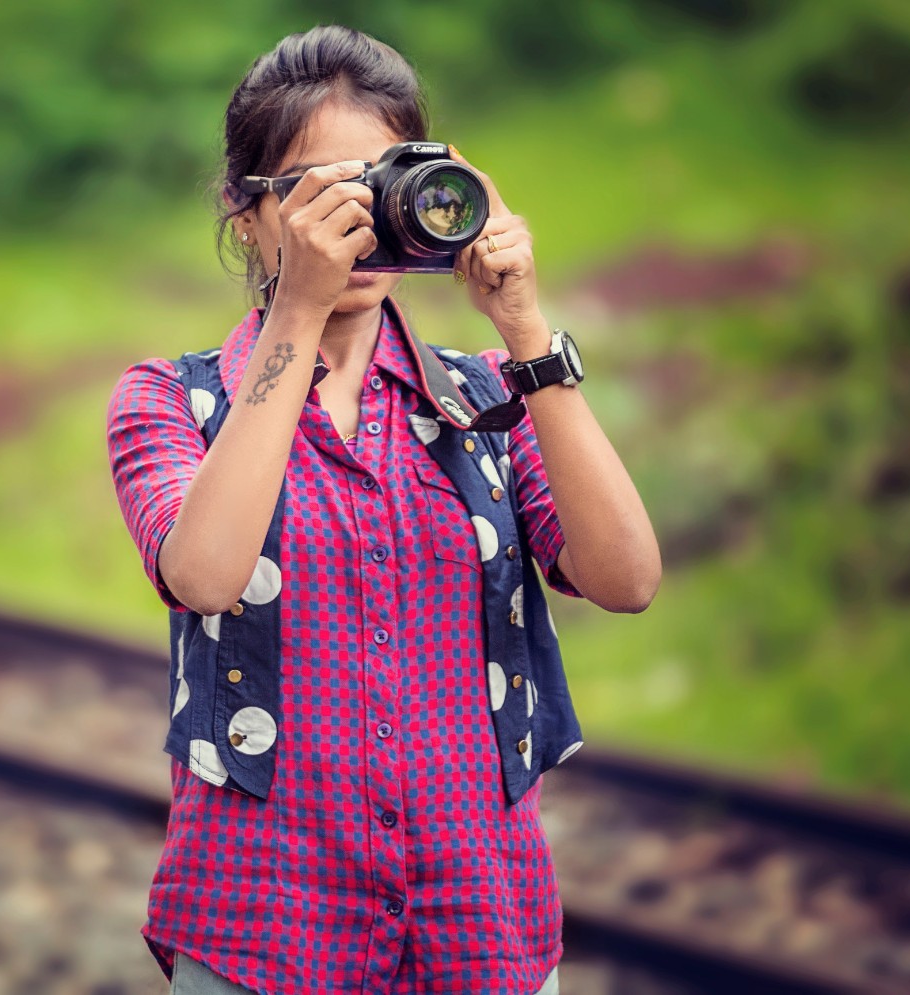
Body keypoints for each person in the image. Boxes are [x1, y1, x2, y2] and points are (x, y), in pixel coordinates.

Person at [104, 24, 661, 995]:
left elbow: (626, 578)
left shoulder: (486, 397)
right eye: (323, 192)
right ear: (247, 214)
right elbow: (203, 574)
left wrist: (524, 326)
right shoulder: (167, 401)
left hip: (478, 926)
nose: (360, 220)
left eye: (383, 181)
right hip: (261, 929)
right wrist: (297, 313)